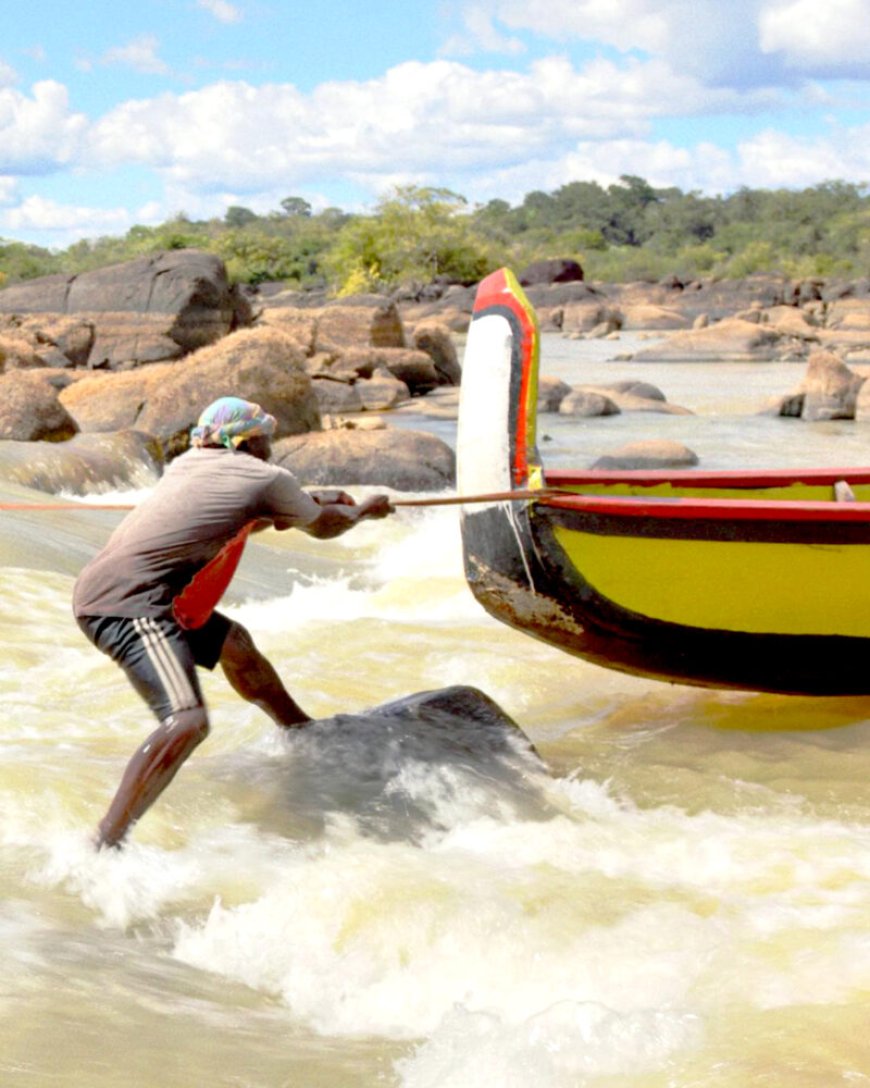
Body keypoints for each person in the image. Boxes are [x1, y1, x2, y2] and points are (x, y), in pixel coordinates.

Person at [73, 395, 394, 849]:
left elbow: (236, 514)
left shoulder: (187, 464)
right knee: (188, 721)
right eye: (266, 438)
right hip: (131, 604)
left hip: (131, 596)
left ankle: (301, 732)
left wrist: (306, 501)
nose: (271, 447)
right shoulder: (266, 477)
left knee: (235, 645)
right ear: (246, 442)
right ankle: (105, 843)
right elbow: (323, 527)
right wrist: (364, 511)